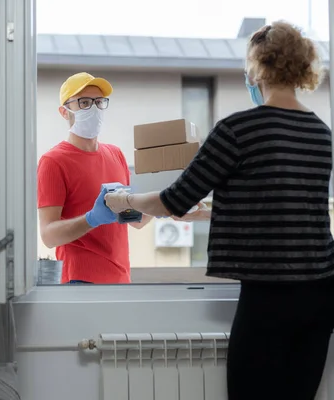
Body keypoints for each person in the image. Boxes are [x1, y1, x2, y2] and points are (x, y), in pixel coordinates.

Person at [105, 21, 333, 400]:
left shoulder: (237, 130)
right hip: (321, 295)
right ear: (301, 67)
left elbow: (172, 200)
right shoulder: (320, 133)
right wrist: (213, 210)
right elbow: (280, 205)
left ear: (257, 68)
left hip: (268, 298)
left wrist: (124, 200)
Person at [37, 72, 152, 284]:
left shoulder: (115, 154)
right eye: (85, 102)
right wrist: (92, 219)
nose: (94, 109)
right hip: (80, 281)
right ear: (64, 112)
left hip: (120, 279)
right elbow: (48, 236)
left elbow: (134, 219)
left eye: (99, 102)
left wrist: (164, 201)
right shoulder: (53, 161)